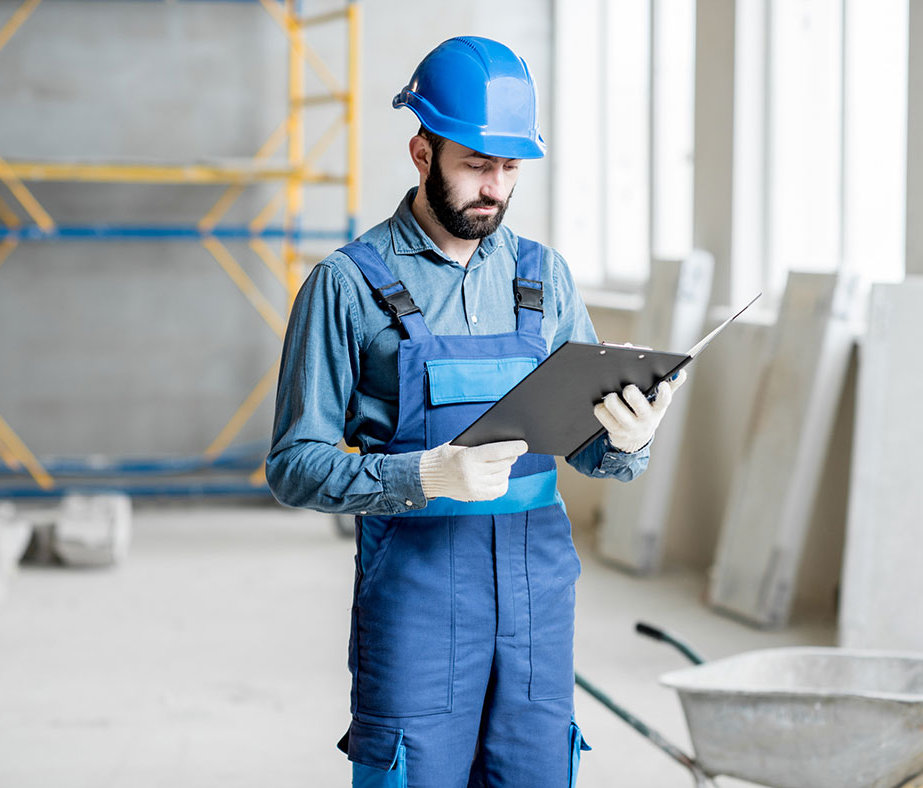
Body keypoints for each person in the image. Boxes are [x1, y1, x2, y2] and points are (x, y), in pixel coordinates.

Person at [266, 36, 685, 788]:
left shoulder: (543, 277)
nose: (495, 188)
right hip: (418, 597)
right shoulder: (347, 285)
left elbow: (586, 446)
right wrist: (426, 473)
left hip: (538, 592)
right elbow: (294, 467)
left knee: (536, 772)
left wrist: (628, 438)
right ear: (422, 152)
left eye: (510, 169)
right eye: (476, 166)